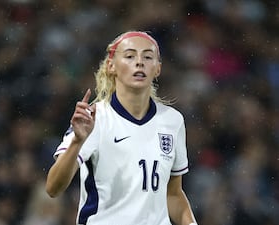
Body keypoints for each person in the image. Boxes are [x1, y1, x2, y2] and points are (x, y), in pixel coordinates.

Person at [46, 31, 198, 225]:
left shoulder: (172, 121)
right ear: (111, 66)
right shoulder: (94, 118)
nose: (140, 62)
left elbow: (173, 194)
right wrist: (77, 141)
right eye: (130, 56)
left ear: (158, 68)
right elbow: (53, 188)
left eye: (148, 57)